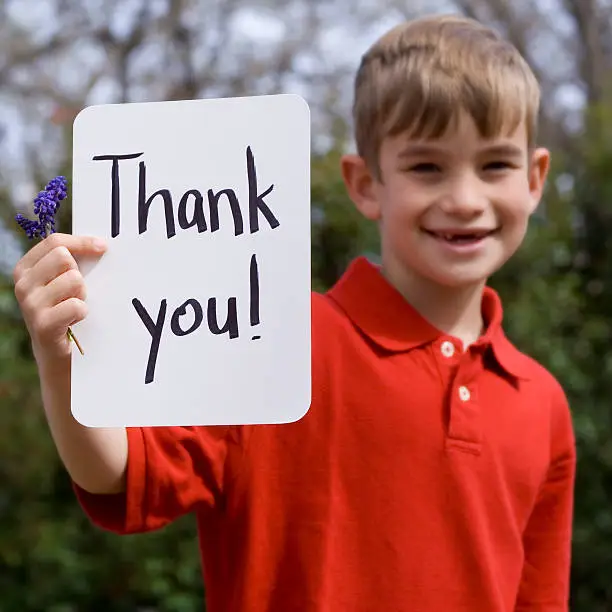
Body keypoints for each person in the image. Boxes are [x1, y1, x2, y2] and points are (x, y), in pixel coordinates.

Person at [13, 13, 575, 612]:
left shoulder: (543, 405)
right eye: (426, 167)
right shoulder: (269, 339)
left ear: (536, 178)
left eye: (495, 165)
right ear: (365, 184)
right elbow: (122, 473)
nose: (465, 199)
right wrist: (62, 358)